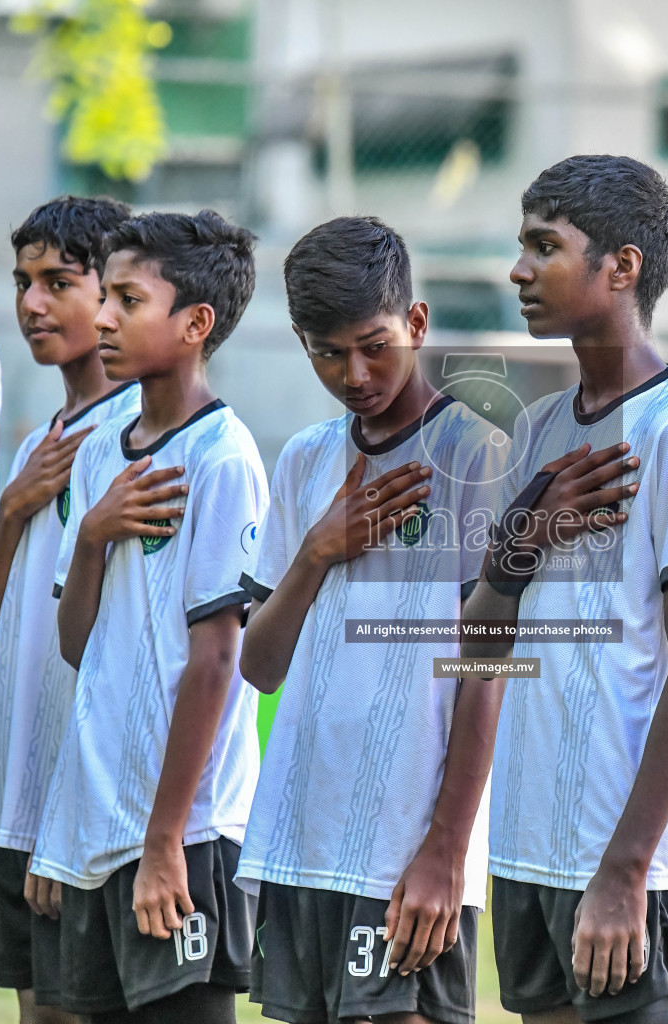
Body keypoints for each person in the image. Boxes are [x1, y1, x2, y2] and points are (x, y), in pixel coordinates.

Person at [461, 155, 668, 1024]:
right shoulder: (536, 428)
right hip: (528, 849)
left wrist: (627, 871)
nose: (520, 270)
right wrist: (520, 542)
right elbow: (479, 648)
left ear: (622, 268)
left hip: (624, 866)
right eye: (522, 245)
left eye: (546, 246)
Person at [234, 215, 505, 1024]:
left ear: (416, 323)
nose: (353, 372)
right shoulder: (306, 461)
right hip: (301, 841)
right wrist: (316, 552)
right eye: (326, 351)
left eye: (374, 344)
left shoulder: (479, 457)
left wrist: (446, 852)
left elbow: (486, 671)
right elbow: (260, 666)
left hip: (404, 856)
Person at [30, 210, 267, 1023]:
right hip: (101, 827)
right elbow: (75, 646)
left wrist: (166, 842)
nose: (100, 317)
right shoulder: (101, 449)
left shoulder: (223, 456)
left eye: (127, 299)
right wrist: (92, 534)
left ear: (195, 324)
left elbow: (215, 665)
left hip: (184, 833)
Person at [0, 194, 138, 1023]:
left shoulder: (138, 436)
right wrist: (10, 509)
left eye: (57, 282)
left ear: (115, 292)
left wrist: (66, 822)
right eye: (22, 281)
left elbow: (132, 659)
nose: (31, 303)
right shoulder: (42, 441)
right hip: (13, 798)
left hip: (82, 812)